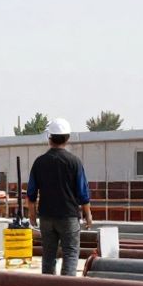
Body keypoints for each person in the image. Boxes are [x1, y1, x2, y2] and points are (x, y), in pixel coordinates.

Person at [26, 117, 93, 276]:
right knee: (70, 253)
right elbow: (83, 192)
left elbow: (31, 193)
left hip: (47, 217)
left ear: (49, 138)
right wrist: (88, 215)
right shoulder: (74, 162)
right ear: (67, 138)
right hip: (68, 217)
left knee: (48, 254)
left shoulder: (39, 162)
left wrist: (32, 215)